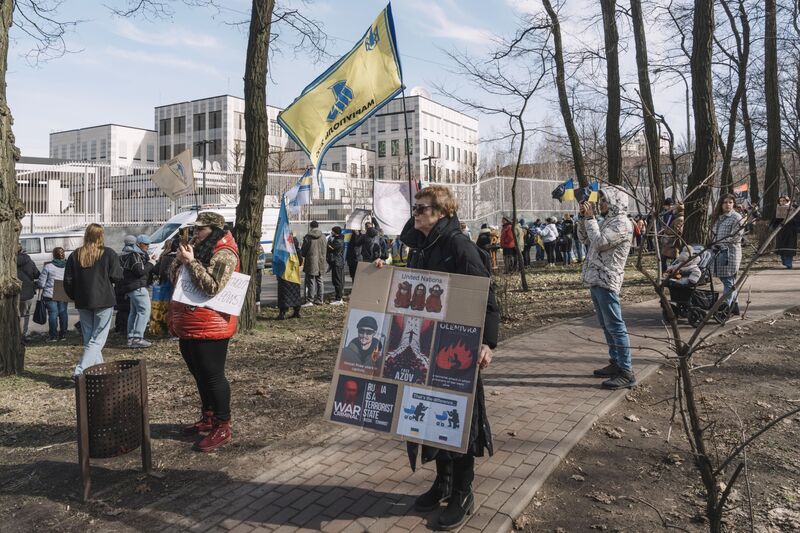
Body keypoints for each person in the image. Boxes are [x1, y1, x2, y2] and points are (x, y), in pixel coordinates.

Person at [375, 185, 500, 530]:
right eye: (415, 208)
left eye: (423, 209)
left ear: (443, 212)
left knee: (458, 421)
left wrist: (488, 342)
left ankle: (463, 491)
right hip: (423, 345)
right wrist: (381, 274)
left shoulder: (460, 247)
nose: (416, 214)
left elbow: (486, 295)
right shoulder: (419, 247)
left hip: (455, 350)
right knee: (429, 418)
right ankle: (442, 481)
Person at [169, 212, 239, 452]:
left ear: (215, 230)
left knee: (213, 376)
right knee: (199, 373)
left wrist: (190, 262)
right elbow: (173, 278)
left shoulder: (225, 253)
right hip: (190, 322)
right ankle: (208, 416)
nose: (196, 234)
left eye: (201, 229)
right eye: (195, 229)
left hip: (212, 325)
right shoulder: (198, 249)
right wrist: (179, 260)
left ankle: (223, 424)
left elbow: (212, 286)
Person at [577, 186, 636, 390]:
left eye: (603, 200)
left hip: (608, 280)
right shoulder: (607, 221)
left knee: (615, 325)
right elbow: (586, 239)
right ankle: (616, 363)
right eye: (600, 200)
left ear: (614, 202)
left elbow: (600, 242)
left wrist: (591, 219)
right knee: (606, 324)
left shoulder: (622, 224)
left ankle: (626, 371)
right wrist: (583, 218)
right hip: (596, 278)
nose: (600, 203)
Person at [64, 223, 123, 377]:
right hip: (103, 299)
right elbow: (117, 276)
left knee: (90, 338)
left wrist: (74, 296)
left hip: (83, 300)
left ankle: (100, 371)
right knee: (97, 339)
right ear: (101, 236)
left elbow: (68, 280)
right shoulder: (109, 254)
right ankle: (80, 371)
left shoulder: (75, 255)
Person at [119, 234, 154, 348]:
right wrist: (151, 263)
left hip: (130, 287)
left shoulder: (124, 254)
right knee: (144, 311)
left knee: (134, 312)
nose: (147, 246)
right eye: (145, 244)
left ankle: (131, 338)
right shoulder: (135, 255)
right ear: (138, 244)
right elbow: (139, 271)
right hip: (138, 287)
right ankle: (138, 338)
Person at [710, 193, 744, 311]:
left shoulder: (736, 217)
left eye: (730, 202)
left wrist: (721, 243)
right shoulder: (718, 217)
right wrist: (713, 243)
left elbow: (736, 236)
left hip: (731, 252)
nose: (728, 205)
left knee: (728, 279)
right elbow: (713, 233)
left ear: (734, 204)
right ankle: (734, 306)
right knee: (728, 280)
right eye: (725, 202)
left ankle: (725, 306)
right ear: (721, 204)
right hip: (718, 251)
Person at [37, 247, 69, 341]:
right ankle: (63, 335)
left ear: (54, 255)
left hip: (50, 294)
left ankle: (53, 336)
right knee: (63, 314)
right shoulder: (67, 266)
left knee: (53, 314)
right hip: (63, 292)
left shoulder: (48, 266)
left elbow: (41, 283)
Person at [17, 245, 41, 343]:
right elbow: (37, 274)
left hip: (13, 293)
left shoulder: (8, 261)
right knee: (25, 314)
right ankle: (24, 334)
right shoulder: (29, 261)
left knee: (13, 315)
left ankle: (14, 334)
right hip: (27, 292)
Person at [276, 234, 303, 320]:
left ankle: (282, 313)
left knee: (283, 295)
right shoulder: (297, 251)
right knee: (295, 294)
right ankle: (296, 311)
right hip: (294, 276)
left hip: (284, 276)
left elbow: (277, 260)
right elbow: (301, 261)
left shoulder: (282, 251)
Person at [301, 220, 327, 306]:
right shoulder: (323, 236)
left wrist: (303, 253)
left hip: (311, 261)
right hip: (321, 261)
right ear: (318, 226)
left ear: (311, 226)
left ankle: (310, 300)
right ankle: (320, 299)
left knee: (311, 280)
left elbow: (303, 251)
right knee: (320, 280)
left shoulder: (308, 237)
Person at [771, 195, 797, 269]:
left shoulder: (793, 209)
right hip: (781, 231)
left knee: (789, 247)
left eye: (784, 201)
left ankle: (789, 263)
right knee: (781, 247)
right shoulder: (777, 209)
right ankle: (785, 262)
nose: (782, 202)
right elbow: (773, 221)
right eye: (781, 201)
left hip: (790, 231)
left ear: (787, 201)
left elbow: (797, 220)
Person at [660, 203, 685, 272]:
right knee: (665, 259)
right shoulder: (676, 217)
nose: (673, 210)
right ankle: (666, 273)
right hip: (670, 243)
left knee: (669, 259)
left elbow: (677, 232)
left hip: (673, 243)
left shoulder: (679, 219)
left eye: (674, 209)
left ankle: (668, 273)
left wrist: (666, 229)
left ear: (678, 210)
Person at [327, 226, 345, 305]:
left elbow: (332, 249)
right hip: (336, 262)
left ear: (336, 232)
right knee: (336, 280)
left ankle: (339, 298)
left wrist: (327, 244)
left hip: (337, 262)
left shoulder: (338, 241)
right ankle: (338, 297)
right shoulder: (337, 239)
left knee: (337, 280)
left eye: (333, 231)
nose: (332, 233)